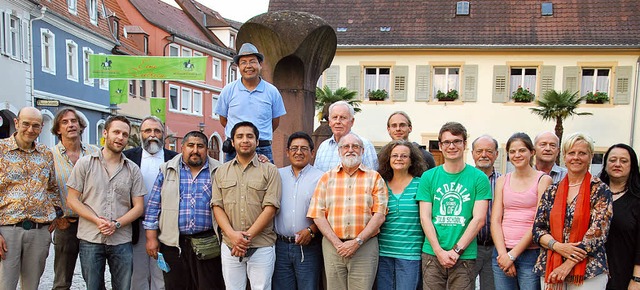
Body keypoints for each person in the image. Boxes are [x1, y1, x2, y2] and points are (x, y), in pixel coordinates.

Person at [66, 115, 146, 290]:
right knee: (93, 287)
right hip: (90, 238)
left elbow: (139, 207)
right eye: (116, 132)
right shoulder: (85, 164)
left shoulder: (133, 169)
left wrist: (116, 224)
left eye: (125, 134)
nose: (120, 137)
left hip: (121, 240)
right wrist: (97, 220)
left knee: (123, 287)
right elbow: (72, 200)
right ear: (105, 133)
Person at [143, 131, 224, 290]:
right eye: (190, 146)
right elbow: (153, 206)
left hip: (208, 243)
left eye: (200, 146)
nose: (195, 150)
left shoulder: (219, 170)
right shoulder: (167, 170)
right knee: (176, 286)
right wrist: (151, 238)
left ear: (206, 149)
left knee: (210, 286)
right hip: (173, 243)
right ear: (182, 147)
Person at [307, 133, 388, 290]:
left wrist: (357, 241)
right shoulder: (326, 178)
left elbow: (379, 215)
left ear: (362, 151)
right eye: (346, 146)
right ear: (339, 151)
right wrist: (337, 243)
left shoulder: (375, 178)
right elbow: (317, 214)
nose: (350, 150)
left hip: (365, 246)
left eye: (355, 146)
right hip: (333, 246)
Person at [532, 132, 612, 289]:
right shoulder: (552, 191)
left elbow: (598, 232)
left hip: (589, 270)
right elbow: (537, 229)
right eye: (571, 153)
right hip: (551, 266)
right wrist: (558, 247)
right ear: (564, 156)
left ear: (590, 157)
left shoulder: (600, 189)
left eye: (582, 153)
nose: (576, 157)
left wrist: (568, 264)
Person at [417, 122, 491, 290]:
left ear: (464, 144)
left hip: (464, 255)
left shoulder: (479, 178)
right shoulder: (428, 177)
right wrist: (439, 251)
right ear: (441, 146)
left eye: (457, 141)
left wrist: (456, 251)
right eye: (447, 142)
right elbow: (425, 217)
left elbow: (479, 219)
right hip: (432, 253)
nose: (452, 146)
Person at [212, 121, 282, 290]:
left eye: (250, 136)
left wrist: (244, 238)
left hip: (261, 244)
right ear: (233, 142)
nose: (245, 140)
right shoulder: (222, 171)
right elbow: (217, 206)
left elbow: (270, 208)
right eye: (240, 136)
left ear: (257, 142)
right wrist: (232, 236)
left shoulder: (270, 170)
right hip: (230, 244)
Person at [0, 107, 62, 290]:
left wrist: (56, 214)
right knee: (5, 285)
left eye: (35, 125)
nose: (30, 129)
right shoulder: (1, 150)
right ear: (17, 123)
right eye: (26, 124)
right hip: (7, 230)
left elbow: (52, 187)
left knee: (32, 286)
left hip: (38, 231)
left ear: (41, 128)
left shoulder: (45, 154)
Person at [490, 133, 552, 290]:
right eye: (512, 151)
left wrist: (513, 255)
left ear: (532, 152)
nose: (517, 155)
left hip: (530, 254)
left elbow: (538, 222)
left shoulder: (543, 180)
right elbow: (496, 220)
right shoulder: (502, 180)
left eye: (522, 150)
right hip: (502, 252)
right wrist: (503, 255)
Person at [123, 116, 178, 290]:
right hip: (135, 226)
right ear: (140, 134)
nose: (152, 135)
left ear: (163, 134)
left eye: (157, 131)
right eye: (148, 131)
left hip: (165, 226)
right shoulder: (128, 157)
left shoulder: (175, 159)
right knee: (137, 274)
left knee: (162, 274)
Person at [50, 107, 100, 290]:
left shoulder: (95, 153)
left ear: (81, 126)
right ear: (57, 129)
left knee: (94, 278)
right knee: (62, 281)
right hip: (66, 224)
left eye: (74, 121)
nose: (70, 125)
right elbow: (45, 189)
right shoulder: (50, 155)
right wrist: (56, 218)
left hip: (92, 224)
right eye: (65, 122)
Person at [214, 43, 286, 162]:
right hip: (235, 149)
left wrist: (256, 136)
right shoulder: (228, 90)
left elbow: (275, 122)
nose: (248, 66)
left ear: (260, 64)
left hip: (263, 148)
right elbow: (223, 120)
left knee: (266, 179)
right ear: (238, 66)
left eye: (252, 61)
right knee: (230, 180)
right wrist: (241, 137)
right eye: (244, 62)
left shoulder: (272, 91)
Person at [272, 132, 324, 290]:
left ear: (312, 153)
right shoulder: (276, 175)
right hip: (280, 245)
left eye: (304, 148)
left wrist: (312, 230)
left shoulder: (322, 178)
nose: (299, 152)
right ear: (287, 152)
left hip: (308, 247)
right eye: (294, 148)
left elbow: (328, 212)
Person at [376, 139, 427, 289]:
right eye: (395, 156)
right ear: (388, 159)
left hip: (410, 254)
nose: (399, 159)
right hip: (383, 252)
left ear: (412, 161)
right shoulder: (380, 184)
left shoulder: (421, 183)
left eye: (404, 156)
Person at [599, 144, 640, 290]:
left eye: (624, 161)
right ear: (605, 164)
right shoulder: (593, 195)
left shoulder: (637, 200)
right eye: (613, 160)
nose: (617, 164)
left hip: (624, 277)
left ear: (632, 166)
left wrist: (637, 279)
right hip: (592, 277)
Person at [471, 135, 502, 290]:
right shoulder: (465, 180)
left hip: (495, 248)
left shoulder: (504, 182)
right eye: (479, 151)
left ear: (496, 154)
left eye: (489, 151)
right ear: (472, 154)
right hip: (470, 247)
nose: (483, 155)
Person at [314, 101, 378, 171]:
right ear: (329, 122)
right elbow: (318, 178)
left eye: (343, 118)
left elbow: (372, 178)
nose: (338, 122)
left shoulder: (365, 145)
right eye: (335, 117)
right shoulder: (323, 147)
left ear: (352, 121)